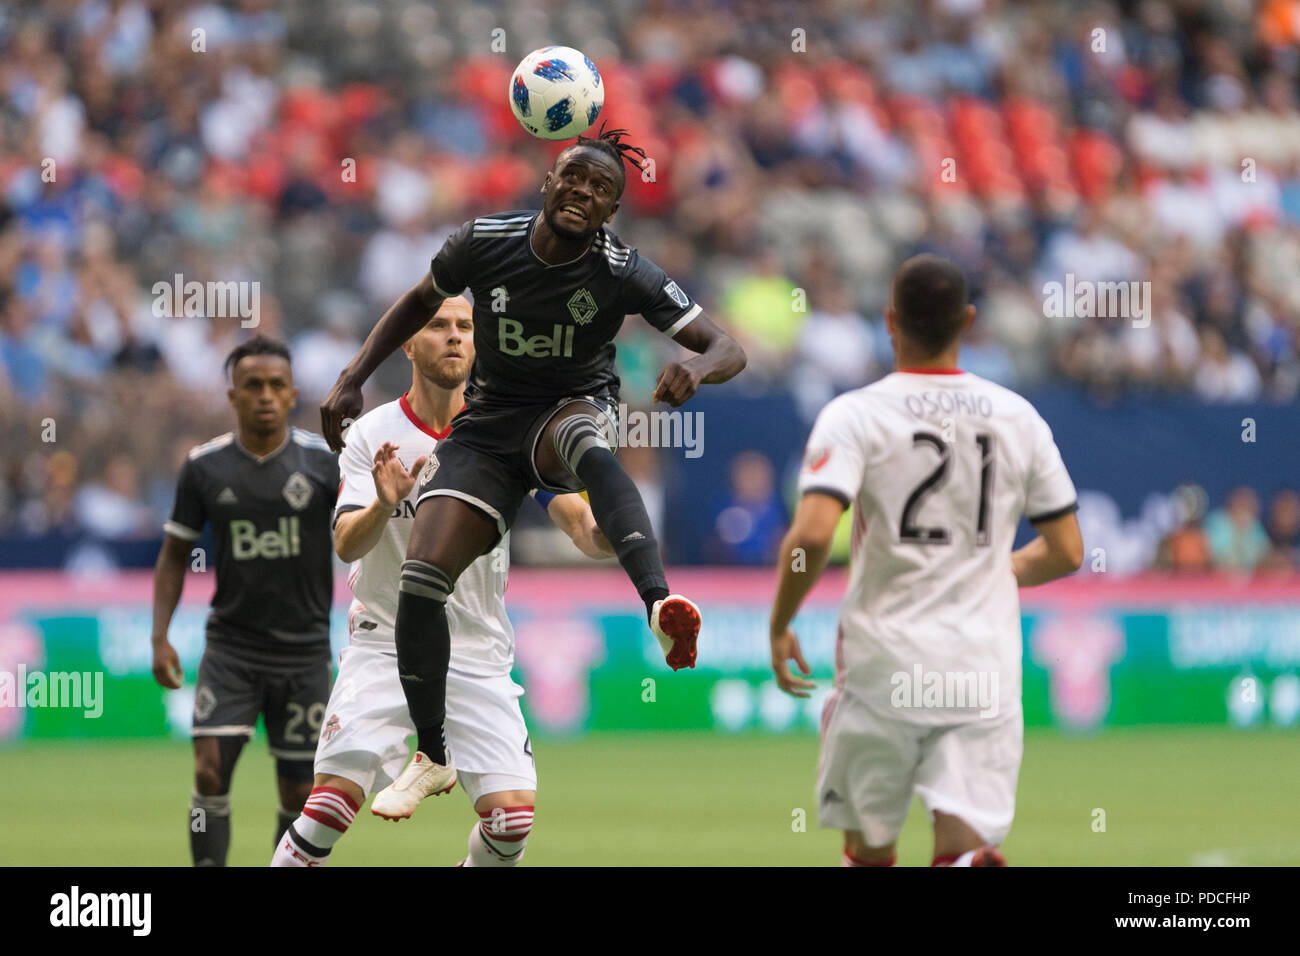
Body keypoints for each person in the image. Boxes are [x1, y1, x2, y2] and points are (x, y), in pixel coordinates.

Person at [319, 126, 746, 819]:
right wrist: (350, 379)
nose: (583, 191)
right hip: (488, 425)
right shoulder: (485, 240)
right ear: (549, 182)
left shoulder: (622, 269)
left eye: (602, 188)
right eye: (573, 177)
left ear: (612, 211)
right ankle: (431, 756)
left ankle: (659, 606)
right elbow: (418, 303)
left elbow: (727, 347)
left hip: (566, 409)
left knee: (585, 443)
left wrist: (695, 367)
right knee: (423, 581)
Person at [767, 254, 1083, 867]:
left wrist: (781, 622)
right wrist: (1001, 571)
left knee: (868, 850)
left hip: (883, 660)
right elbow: (1069, 549)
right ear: (967, 321)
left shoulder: (855, 413)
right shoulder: (1018, 417)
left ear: (890, 320)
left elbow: (809, 538)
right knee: (961, 843)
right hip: (981, 664)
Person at [272, 296, 609, 867]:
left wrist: (620, 540)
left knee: (511, 823)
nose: (453, 337)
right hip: (384, 645)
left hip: (476, 650)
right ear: (408, 343)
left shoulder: (509, 432)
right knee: (329, 810)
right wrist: (384, 505)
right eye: (437, 326)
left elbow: (580, 525)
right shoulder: (372, 434)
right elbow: (345, 543)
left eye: (464, 327)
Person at [152, 336, 339, 866]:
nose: (265, 395)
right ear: (231, 395)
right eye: (252, 385)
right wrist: (159, 636)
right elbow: (173, 555)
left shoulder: (324, 465)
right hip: (231, 648)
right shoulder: (204, 467)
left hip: (304, 653)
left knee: (300, 797)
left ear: (293, 394)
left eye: (276, 385)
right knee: (209, 770)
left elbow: (357, 536)